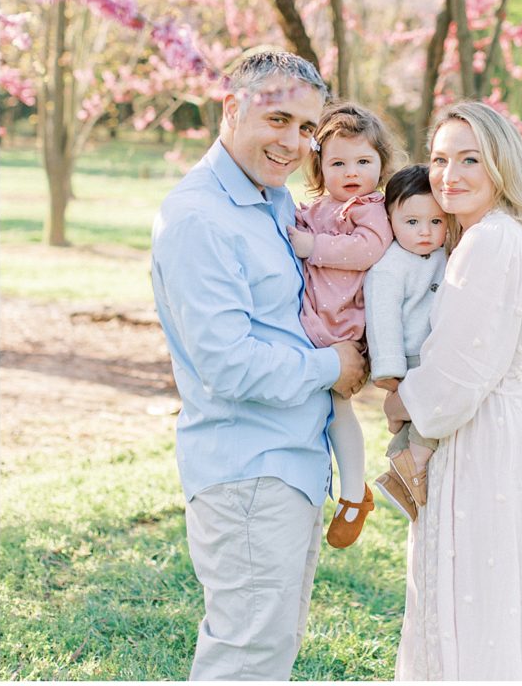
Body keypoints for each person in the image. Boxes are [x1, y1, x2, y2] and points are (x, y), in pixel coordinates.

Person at [151, 51, 367, 682]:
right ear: (232, 107)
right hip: (247, 470)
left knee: (270, 648)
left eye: (306, 129)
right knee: (245, 655)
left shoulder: (270, 201)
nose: (293, 143)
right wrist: (332, 365)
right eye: (278, 119)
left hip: (291, 461)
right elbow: (227, 363)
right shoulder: (199, 218)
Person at [384, 100, 522, 681]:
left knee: (472, 606)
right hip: (513, 434)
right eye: (440, 159)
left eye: (470, 158)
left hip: (484, 442)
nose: (450, 175)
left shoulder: (489, 242)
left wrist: (398, 402)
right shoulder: (506, 235)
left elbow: (454, 379)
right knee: (506, 602)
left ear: (502, 164)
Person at [287, 101, 396, 548]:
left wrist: (313, 246)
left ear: (381, 165)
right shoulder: (318, 208)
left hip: (343, 327)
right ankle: (335, 487)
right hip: (314, 322)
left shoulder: (371, 209)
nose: (352, 172)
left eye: (363, 162)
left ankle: (354, 493)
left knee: (339, 409)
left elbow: (366, 250)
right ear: (319, 167)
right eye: (338, 163)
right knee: (325, 410)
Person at [363, 164, 448, 520]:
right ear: (390, 220)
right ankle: (412, 468)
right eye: (411, 222)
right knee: (428, 420)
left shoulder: (448, 255)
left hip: (439, 353)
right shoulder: (389, 267)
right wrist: (388, 370)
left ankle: (402, 476)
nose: (425, 233)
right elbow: (382, 320)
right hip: (411, 358)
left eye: (436, 222)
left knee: (421, 424)